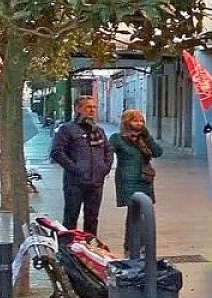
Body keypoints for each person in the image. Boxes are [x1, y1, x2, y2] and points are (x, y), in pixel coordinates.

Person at [50, 96, 114, 235]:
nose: (92, 110)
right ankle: (68, 248)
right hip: (75, 182)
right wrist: (75, 168)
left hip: (96, 181)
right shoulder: (67, 129)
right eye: (88, 107)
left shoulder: (98, 130)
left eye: (94, 107)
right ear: (78, 109)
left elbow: (108, 150)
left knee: (92, 219)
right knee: (71, 217)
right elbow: (57, 152)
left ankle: (90, 247)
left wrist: (105, 167)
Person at [110, 109, 162, 207]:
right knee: (133, 208)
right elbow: (107, 153)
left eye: (141, 121)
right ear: (126, 122)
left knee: (145, 208)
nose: (139, 123)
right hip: (127, 180)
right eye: (135, 121)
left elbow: (158, 152)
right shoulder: (117, 138)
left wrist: (147, 137)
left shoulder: (144, 138)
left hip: (145, 179)